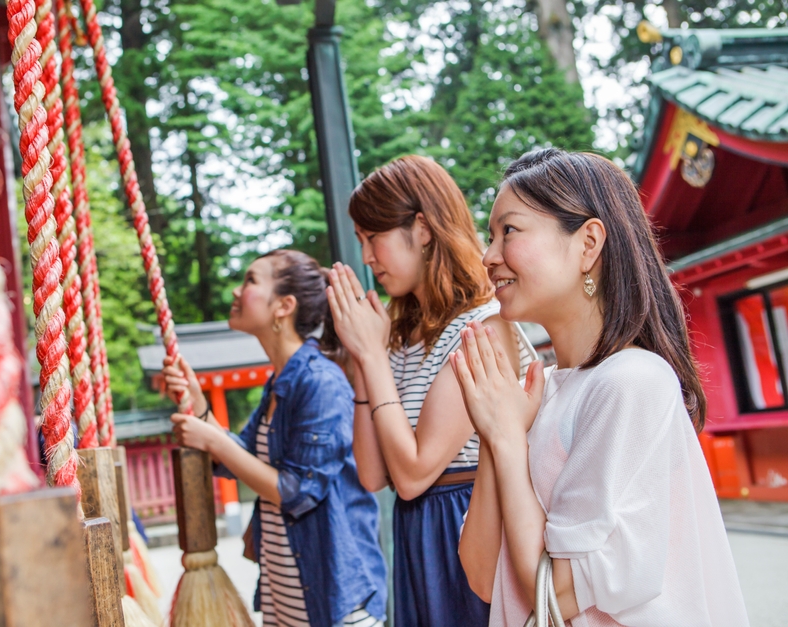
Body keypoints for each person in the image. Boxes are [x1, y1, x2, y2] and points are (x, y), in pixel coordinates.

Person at [453, 148, 749, 625]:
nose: (488, 257)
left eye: (508, 231)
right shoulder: (537, 390)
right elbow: (483, 575)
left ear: (588, 243)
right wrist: (496, 429)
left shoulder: (631, 382)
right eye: (491, 237)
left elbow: (557, 597)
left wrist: (507, 438)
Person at [326, 155, 536, 627]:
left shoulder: (483, 326)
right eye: (361, 241)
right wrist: (366, 357)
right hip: (418, 531)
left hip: (466, 526)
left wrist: (374, 358)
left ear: (421, 228)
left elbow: (415, 473)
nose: (366, 257)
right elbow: (372, 474)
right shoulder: (401, 333)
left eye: (373, 237)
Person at [161, 249, 388, 627]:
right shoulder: (280, 382)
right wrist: (201, 408)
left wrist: (213, 439)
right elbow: (245, 458)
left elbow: (296, 492)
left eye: (250, 280)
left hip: (334, 603)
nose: (237, 290)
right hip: (287, 596)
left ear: (284, 306)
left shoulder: (320, 382)